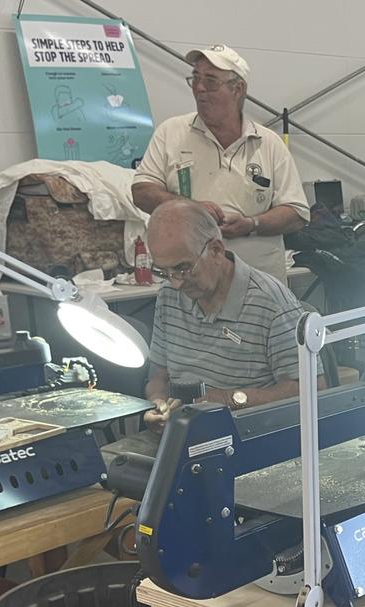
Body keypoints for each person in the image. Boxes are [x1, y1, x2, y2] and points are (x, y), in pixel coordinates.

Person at [133, 45, 309, 284]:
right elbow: (141, 191)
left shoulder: (269, 143)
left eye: (211, 81)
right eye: (195, 78)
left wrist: (251, 224)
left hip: (259, 285)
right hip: (190, 285)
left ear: (238, 89)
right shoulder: (170, 133)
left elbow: (296, 213)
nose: (200, 88)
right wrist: (190, 210)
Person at [141, 199, 318, 430]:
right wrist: (157, 403)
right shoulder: (168, 294)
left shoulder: (270, 302)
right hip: (183, 432)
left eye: (182, 269)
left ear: (216, 250)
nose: (175, 283)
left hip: (248, 437)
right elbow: (158, 375)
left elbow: (311, 388)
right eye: (163, 271)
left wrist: (231, 400)